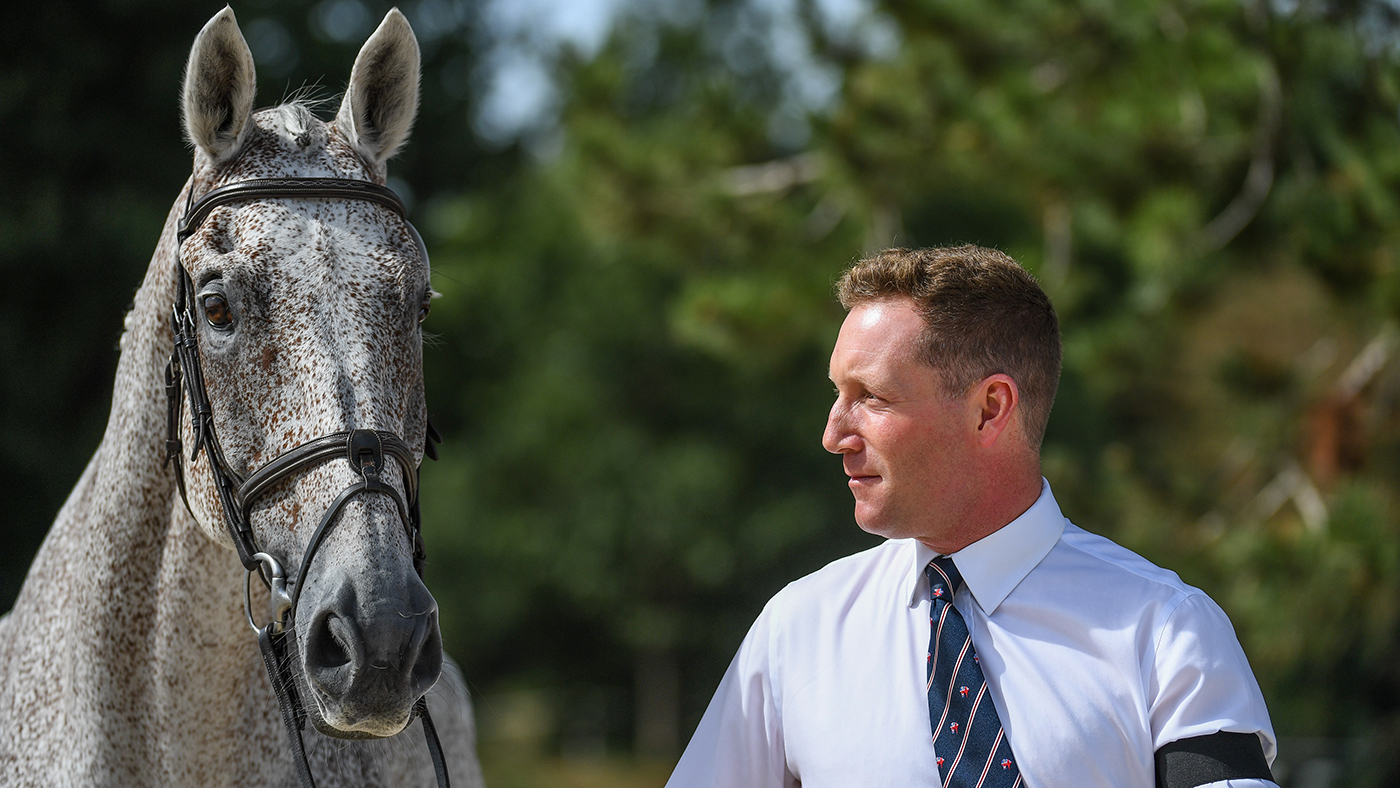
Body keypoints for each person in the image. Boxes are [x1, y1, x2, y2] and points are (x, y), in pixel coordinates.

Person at [665, 246, 1278, 788]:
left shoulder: (1165, 631)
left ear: (990, 409)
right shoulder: (796, 632)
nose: (833, 434)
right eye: (836, 394)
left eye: (871, 398)